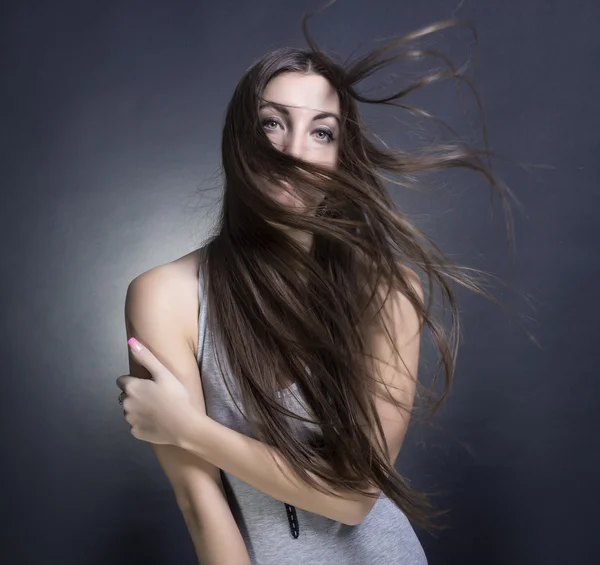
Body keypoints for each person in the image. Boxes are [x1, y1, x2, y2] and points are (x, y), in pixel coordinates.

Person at [116, 11, 514, 565]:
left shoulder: (390, 289)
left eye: (321, 131)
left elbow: (353, 498)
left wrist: (187, 428)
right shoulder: (167, 295)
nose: (295, 151)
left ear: (340, 156)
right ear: (239, 139)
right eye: (272, 123)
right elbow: (198, 503)